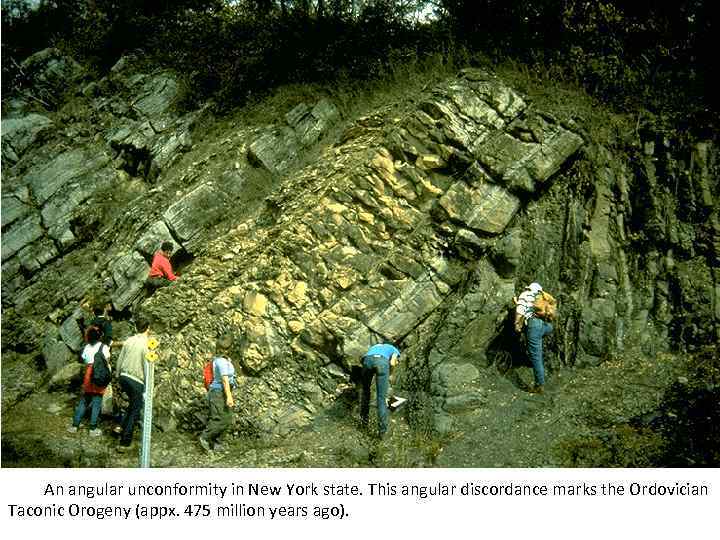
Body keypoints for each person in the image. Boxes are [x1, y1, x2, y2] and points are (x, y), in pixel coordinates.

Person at [114, 315, 151, 451]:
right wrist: (148, 384)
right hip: (136, 380)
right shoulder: (146, 343)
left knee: (132, 404)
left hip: (124, 377)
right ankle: (125, 442)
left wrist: (118, 376)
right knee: (136, 409)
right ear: (148, 328)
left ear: (136, 328)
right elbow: (146, 365)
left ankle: (120, 426)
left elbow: (120, 359)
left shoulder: (129, 340)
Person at [68, 327, 111, 436]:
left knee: (84, 401)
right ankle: (92, 428)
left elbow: (83, 359)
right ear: (99, 336)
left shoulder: (86, 347)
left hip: (88, 374)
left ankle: (75, 425)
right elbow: (107, 360)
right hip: (99, 374)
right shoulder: (104, 347)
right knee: (97, 401)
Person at [514, 282, 554, 394]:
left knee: (536, 358)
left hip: (533, 326)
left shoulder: (525, 295)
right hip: (545, 325)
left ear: (528, 288)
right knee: (546, 331)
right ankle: (539, 338)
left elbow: (520, 310)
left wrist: (517, 324)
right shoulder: (541, 297)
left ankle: (539, 386)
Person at [200, 335, 236, 452]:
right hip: (218, 392)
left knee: (227, 418)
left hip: (224, 391)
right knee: (218, 418)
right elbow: (225, 380)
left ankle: (218, 444)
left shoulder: (226, 360)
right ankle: (204, 438)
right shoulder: (220, 362)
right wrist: (229, 397)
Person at [360, 343, 401, 438]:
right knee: (381, 399)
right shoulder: (394, 349)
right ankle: (383, 433)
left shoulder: (374, 347)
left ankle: (363, 424)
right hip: (382, 363)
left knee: (365, 393)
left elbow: (364, 359)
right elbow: (392, 362)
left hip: (367, 361)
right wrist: (391, 373)